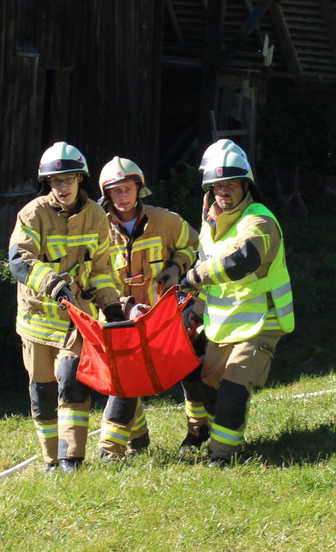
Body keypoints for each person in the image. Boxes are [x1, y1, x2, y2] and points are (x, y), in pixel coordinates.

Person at [8, 142, 125, 473]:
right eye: (55, 181)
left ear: (80, 179)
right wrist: (53, 284)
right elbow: (19, 260)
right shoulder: (32, 214)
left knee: (72, 380)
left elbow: (101, 268)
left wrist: (111, 307)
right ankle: (51, 460)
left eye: (68, 179)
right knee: (43, 391)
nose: (62, 187)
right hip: (36, 320)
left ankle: (72, 458)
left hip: (76, 319)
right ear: (47, 182)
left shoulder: (97, 216)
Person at [177, 139, 295, 465]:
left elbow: (242, 260)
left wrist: (195, 276)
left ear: (246, 185)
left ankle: (221, 457)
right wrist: (194, 310)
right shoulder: (210, 226)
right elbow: (212, 283)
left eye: (230, 184)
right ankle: (214, 435)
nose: (223, 192)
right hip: (224, 323)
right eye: (217, 186)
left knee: (233, 386)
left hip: (262, 322)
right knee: (208, 385)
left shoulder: (259, 220)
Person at [95, 156, 198, 462]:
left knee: (191, 371)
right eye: (116, 191)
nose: (123, 196)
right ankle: (116, 447)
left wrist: (176, 267)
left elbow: (194, 246)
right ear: (106, 195)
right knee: (124, 378)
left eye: (127, 189)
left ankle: (198, 432)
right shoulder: (97, 229)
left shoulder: (165, 221)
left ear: (139, 189)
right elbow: (91, 274)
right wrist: (123, 306)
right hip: (118, 319)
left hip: (163, 318)